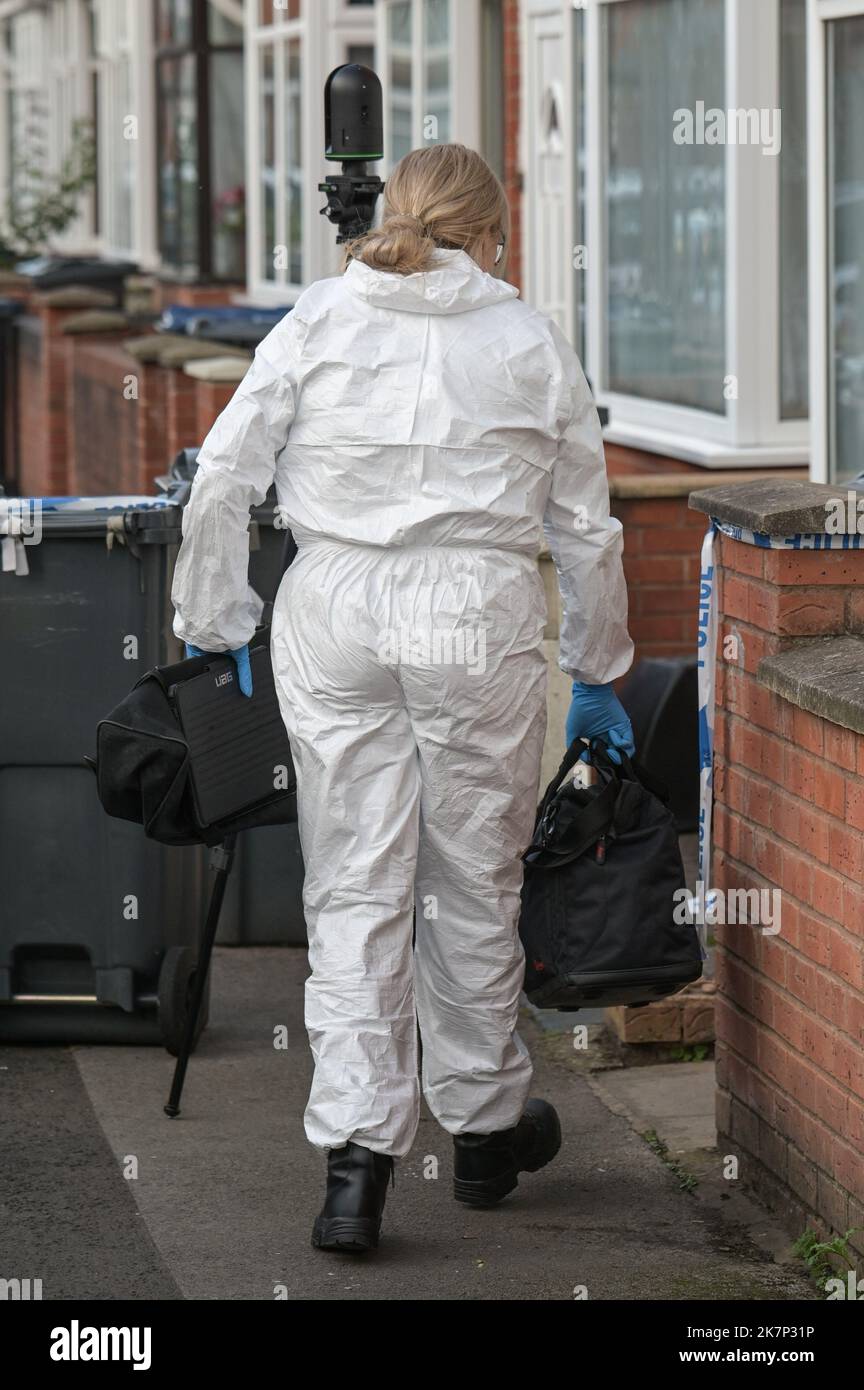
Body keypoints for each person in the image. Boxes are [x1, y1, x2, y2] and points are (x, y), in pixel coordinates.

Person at [171, 143, 634, 1254]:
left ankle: (355, 1170)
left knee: (356, 879)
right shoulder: (525, 338)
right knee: (473, 873)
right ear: (490, 228)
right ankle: (480, 1133)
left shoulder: (320, 320)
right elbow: (584, 525)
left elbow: (222, 472)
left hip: (336, 606)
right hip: (475, 613)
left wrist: (219, 621)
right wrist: (601, 669)